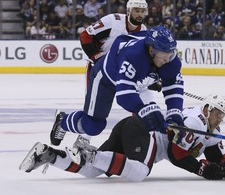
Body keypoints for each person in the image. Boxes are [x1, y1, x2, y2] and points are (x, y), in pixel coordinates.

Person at [19, 94, 225, 182]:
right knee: (138, 172)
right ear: (206, 109)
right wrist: (202, 169)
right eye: (216, 113)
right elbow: (177, 155)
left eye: (222, 115)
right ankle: (89, 152)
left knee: (95, 171)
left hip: (131, 127)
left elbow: (215, 152)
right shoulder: (195, 122)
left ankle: (49, 154)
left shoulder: (210, 128)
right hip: (145, 132)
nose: (219, 118)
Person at [49, 25, 184, 149]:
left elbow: (173, 87)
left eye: (170, 54)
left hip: (130, 78)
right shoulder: (133, 56)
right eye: (163, 56)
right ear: (151, 50)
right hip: (105, 79)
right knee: (93, 126)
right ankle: (63, 121)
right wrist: (146, 112)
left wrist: (175, 115)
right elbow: (124, 96)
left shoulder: (170, 61)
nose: (167, 60)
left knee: (144, 118)